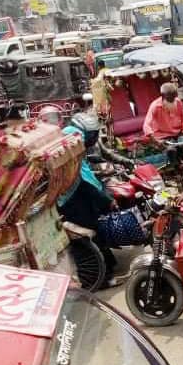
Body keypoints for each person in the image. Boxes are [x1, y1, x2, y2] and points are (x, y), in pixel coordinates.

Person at [56, 113, 119, 287]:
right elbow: (84, 181)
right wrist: (105, 199)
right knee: (86, 237)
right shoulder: (72, 149)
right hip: (72, 202)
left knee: (94, 231)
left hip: (76, 197)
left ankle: (107, 269)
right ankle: (99, 279)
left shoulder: (74, 148)